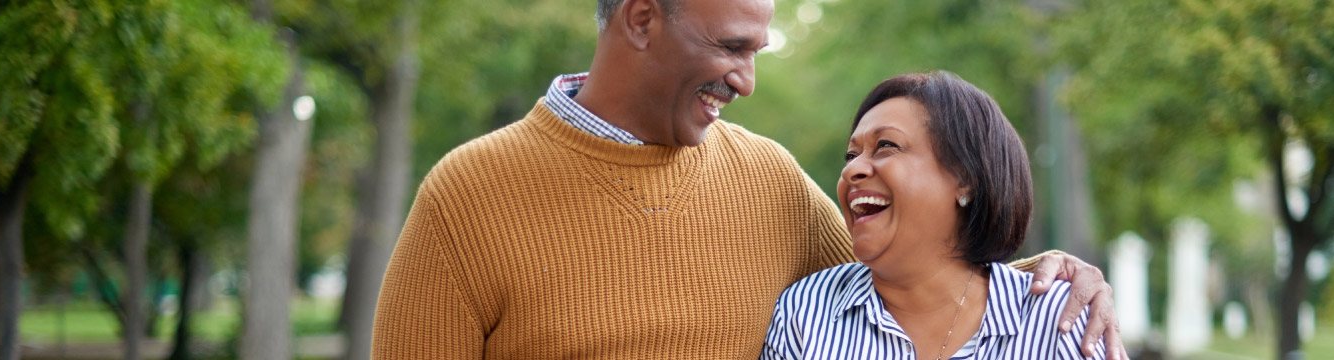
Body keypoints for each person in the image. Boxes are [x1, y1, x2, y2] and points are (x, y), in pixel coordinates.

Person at [371, 0, 1125, 358]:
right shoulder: (468, 195)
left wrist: (1043, 277)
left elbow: (906, 283)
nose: (748, 81)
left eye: (759, 49)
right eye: (733, 47)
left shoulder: (766, 180)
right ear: (640, 19)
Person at [761, 71, 1105, 359]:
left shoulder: (1060, 317)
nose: (853, 170)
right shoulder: (805, 313)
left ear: (967, 181)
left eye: (886, 146)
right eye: (850, 155)